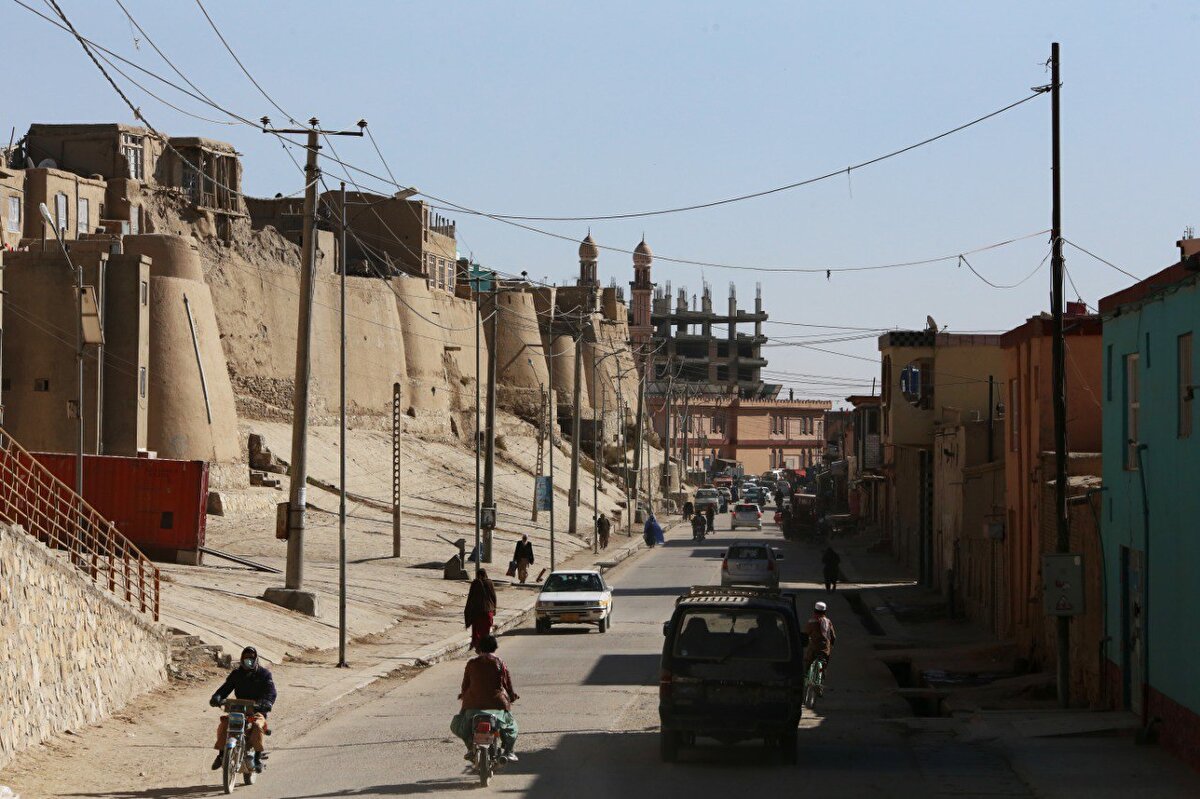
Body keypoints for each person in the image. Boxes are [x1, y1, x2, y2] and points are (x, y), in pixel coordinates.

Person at [452, 634, 520, 762]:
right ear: (495, 647)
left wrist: (464, 696)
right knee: (510, 725)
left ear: (480, 648)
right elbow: (507, 684)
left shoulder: (471, 663)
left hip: (472, 704)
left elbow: (465, 685)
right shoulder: (500, 663)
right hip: (497, 705)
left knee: (461, 723)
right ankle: (509, 751)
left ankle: (470, 747)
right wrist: (511, 696)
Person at [209, 646, 276, 773]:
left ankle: (256, 759)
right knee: (224, 723)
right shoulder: (236, 674)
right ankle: (221, 754)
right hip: (238, 709)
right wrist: (217, 697)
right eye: (246, 658)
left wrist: (266, 703)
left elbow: (271, 692)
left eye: (251, 658)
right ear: (241, 659)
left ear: (256, 659)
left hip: (257, 710)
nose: (248, 660)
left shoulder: (264, 674)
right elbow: (225, 688)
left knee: (257, 725)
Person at [803, 601, 837, 694]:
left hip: (814, 647)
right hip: (825, 648)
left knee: (807, 663)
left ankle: (805, 679)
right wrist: (831, 645)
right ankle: (820, 685)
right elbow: (833, 636)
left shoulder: (812, 621)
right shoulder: (828, 621)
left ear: (814, 611)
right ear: (825, 612)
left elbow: (806, 634)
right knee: (824, 666)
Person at [465, 570, 498, 651]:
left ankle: (477, 647)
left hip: (477, 612)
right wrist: (494, 609)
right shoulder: (490, 582)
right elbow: (494, 597)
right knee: (485, 633)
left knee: (476, 631)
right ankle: (484, 649)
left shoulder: (475, 583)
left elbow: (470, 599)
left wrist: (467, 613)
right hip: (488, 612)